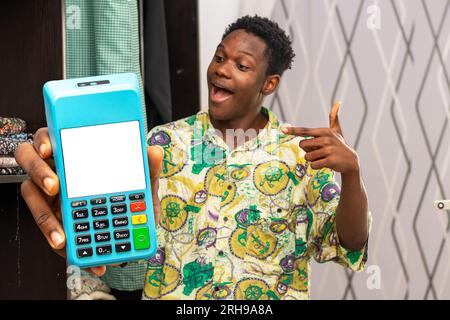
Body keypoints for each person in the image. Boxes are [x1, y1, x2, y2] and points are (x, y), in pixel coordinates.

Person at [15, 15, 370, 300]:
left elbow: (348, 244)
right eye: (219, 57)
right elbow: (123, 239)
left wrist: (351, 174)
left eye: (241, 66)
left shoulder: (300, 153)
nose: (222, 69)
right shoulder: (160, 143)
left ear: (269, 84)